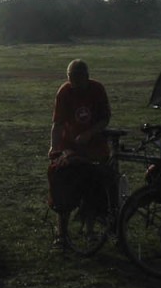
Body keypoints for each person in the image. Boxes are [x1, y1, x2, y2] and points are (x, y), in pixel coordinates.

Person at [47, 59, 112, 242]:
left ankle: (89, 230)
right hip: (70, 149)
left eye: (78, 79)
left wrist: (89, 134)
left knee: (93, 187)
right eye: (72, 79)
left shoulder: (97, 90)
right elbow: (58, 124)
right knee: (63, 184)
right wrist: (54, 147)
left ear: (87, 77)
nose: (75, 84)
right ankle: (62, 232)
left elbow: (105, 118)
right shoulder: (65, 92)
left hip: (95, 149)